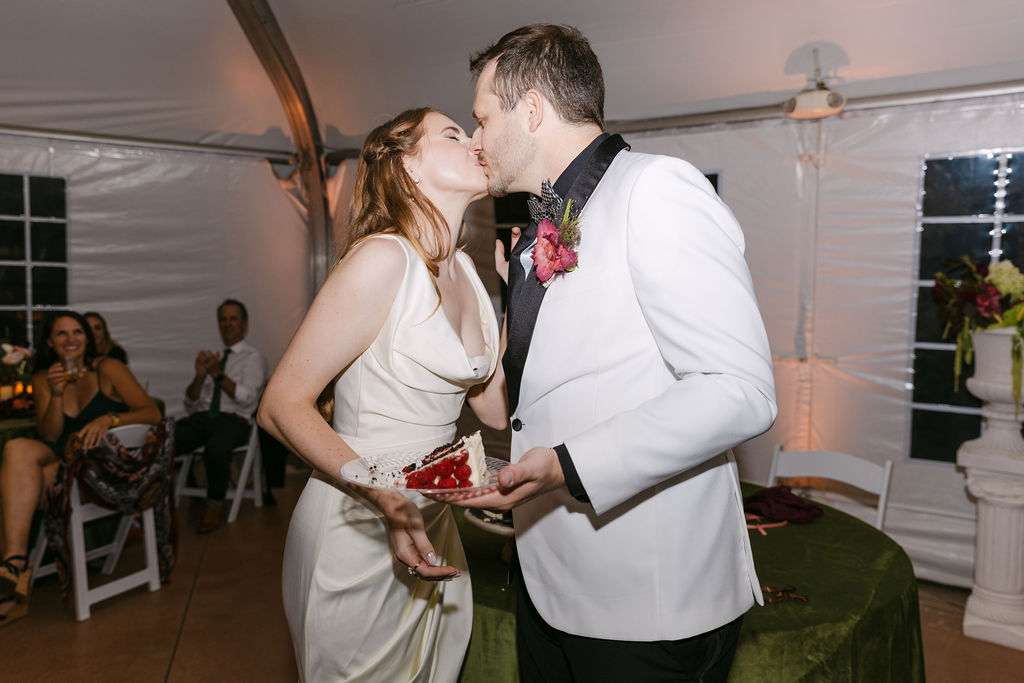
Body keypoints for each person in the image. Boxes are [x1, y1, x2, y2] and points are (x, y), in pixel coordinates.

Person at [434, 24, 778, 681]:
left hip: (648, 604)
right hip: (552, 584)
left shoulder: (658, 189)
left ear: (531, 110)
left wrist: (568, 464)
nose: (476, 140)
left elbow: (739, 388)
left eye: (482, 119)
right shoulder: (542, 231)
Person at [258, 107, 507, 681]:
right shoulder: (382, 259)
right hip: (359, 520)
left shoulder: (468, 271)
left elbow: (492, 409)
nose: (474, 141)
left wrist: (520, 300)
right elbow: (280, 404)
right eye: (452, 134)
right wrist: (386, 500)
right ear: (407, 167)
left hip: (429, 516)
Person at [0, 311, 161, 627]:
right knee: (14, 449)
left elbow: (152, 412)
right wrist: (56, 395)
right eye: (61, 334)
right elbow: (48, 435)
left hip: (100, 466)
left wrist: (108, 419)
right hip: (63, 457)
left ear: (88, 338)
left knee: (14, 486)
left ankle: (10, 578)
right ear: (50, 341)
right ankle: (15, 563)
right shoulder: (44, 377)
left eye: (78, 332)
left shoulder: (109, 368)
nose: (71, 339)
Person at [175, 299, 267, 534]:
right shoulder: (212, 357)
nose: (227, 324)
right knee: (167, 438)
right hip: (204, 417)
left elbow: (247, 398)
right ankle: (155, 499)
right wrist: (199, 375)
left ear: (244, 324)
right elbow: (190, 401)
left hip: (233, 421)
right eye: (223, 319)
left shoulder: (253, 358)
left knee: (215, 448)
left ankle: (214, 505)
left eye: (233, 318)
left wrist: (217, 374)